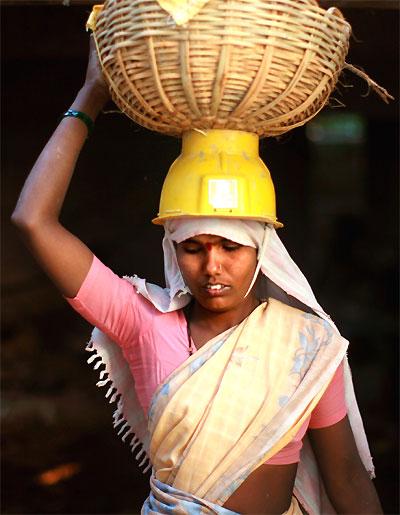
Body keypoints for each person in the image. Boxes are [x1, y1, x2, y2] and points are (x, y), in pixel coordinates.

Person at [12, 36, 383, 515]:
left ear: (261, 249)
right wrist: (91, 94)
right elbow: (32, 219)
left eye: (231, 247)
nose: (212, 267)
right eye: (193, 248)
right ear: (172, 248)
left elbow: (347, 476)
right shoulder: (142, 321)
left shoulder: (306, 347)